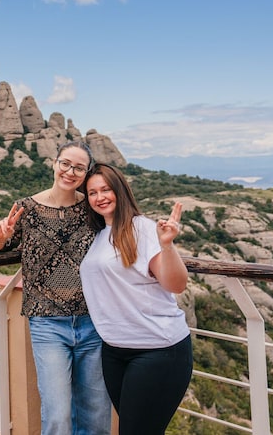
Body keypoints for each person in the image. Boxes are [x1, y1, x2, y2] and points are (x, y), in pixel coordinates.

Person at [0, 141, 111, 435]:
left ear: (85, 173)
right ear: (54, 163)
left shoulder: (92, 208)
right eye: (65, 163)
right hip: (46, 323)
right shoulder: (26, 207)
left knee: (96, 414)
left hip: (92, 320)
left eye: (79, 168)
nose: (70, 172)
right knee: (57, 415)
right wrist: (0, 237)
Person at [81, 163, 192, 434]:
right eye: (93, 192)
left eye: (106, 189)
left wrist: (167, 246)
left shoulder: (143, 229)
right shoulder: (99, 235)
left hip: (157, 349)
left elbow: (175, 284)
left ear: (120, 190)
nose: (100, 197)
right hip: (115, 351)